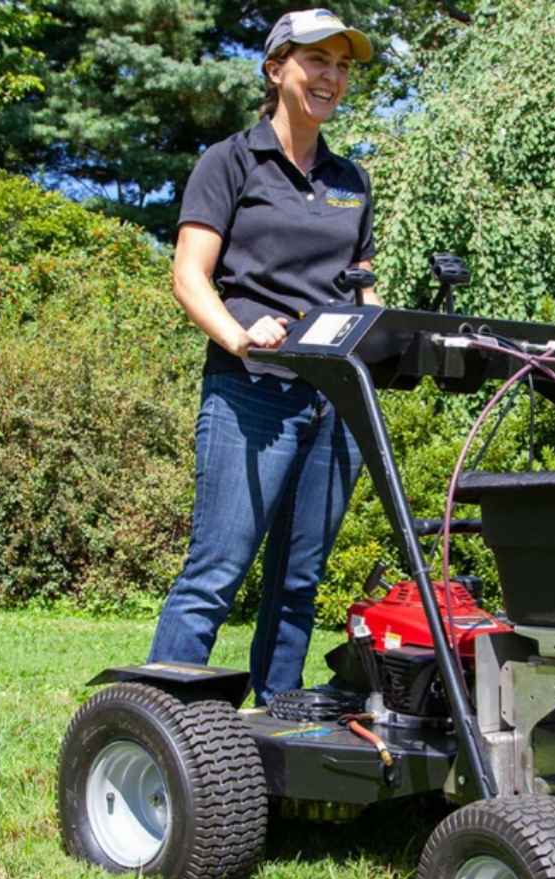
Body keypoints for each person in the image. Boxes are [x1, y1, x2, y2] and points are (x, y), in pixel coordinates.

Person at [148, 9, 379, 705]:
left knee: (298, 581)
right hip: (251, 391)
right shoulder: (229, 162)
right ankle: (165, 725)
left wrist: (383, 338)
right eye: (317, 61)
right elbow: (190, 276)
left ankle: (278, 724)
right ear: (277, 68)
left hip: (333, 399)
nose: (331, 77)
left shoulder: (351, 179)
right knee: (216, 571)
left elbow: (362, 285)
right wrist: (238, 335)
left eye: (343, 65)